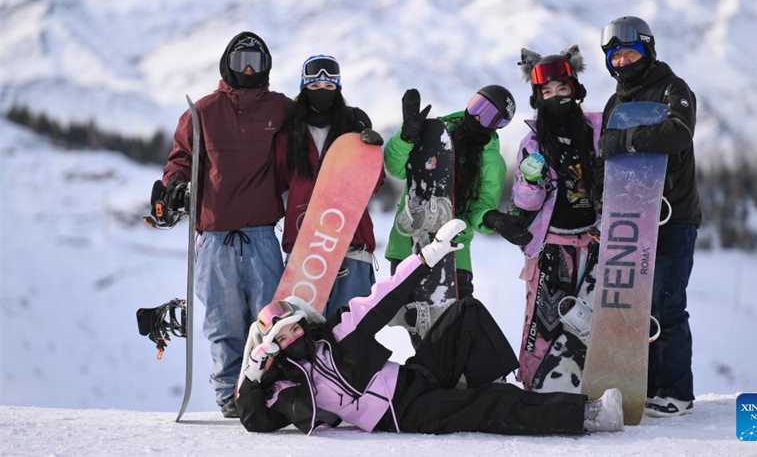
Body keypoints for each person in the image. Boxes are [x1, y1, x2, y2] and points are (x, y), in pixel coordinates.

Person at [235, 219, 624, 435]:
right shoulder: (286, 386)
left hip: (413, 377)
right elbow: (256, 421)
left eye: (294, 328)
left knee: (466, 313)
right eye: (281, 338)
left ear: (305, 323)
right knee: (490, 403)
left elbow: (384, 295)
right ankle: (588, 415)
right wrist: (253, 376)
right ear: (272, 348)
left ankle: (486, 389)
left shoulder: (338, 335)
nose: (292, 338)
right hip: (403, 414)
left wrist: (428, 256)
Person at [153, 32, 291, 418]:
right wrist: (174, 186)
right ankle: (231, 393)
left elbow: (316, 124)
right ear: (226, 64)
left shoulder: (281, 109)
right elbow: (181, 158)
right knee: (223, 322)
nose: (247, 69)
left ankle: (267, 387)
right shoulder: (203, 112)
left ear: (266, 67)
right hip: (214, 238)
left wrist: (347, 119)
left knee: (269, 319)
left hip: (261, 234)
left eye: (255, 62)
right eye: (241, 60)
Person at [596, 16, 701, 417]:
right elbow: (606, 161)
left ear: (647, 51)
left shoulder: (674, 88)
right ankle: (640, 384)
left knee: (666, 304)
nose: (622, 61)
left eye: (630, 52)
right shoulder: (615, 103)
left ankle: (675, 391)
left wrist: (627, 139)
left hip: (673, 217)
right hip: (629, 219)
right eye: (615, 56)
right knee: (630, 307)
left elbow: (678, 133)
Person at [383, 86, 529, 333]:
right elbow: (395, 168)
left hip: (452, 257)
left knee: (452, 334)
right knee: (417, 331)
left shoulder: (491, 161)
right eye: (477, 105)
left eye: (489, 116)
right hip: (408, 246)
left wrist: (492, 218)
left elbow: (479, 208)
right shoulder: (433, 134)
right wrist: (407, 136)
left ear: (498, 126)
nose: (477, 116)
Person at [510, 44, 602, 392]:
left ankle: (593, 384)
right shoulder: (533, 141)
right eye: (547, 91)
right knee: (547, 320)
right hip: (552, 245)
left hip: (594, 242)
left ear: (574, 89)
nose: (556, 96)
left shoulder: (596, 129)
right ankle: (537, 386)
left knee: (592, 319)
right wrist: (529, 179)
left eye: (562, 88)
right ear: (538, 98)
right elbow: (526, 202)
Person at [274, 55, 385, 317]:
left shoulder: (353, 126)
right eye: (314, 86)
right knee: (302, 334)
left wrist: (368, 149)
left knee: (350, 332)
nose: (321, 92)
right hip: (305, 251)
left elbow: (374, 183)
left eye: (328, 87)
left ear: (338, 88)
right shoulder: (289, 133)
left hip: (352, 246)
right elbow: (277, 181)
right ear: (303, 89)